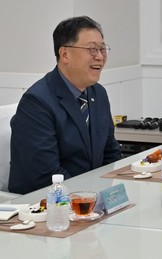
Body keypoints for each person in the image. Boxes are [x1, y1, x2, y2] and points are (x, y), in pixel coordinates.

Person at [8, 16, 122, 194]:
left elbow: (111, 154)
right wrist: (88, 197)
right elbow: (46, 174)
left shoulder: (98, 94)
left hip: (91, 198)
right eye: (92, 49)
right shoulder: (36, 103)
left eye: (102, 49)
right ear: (65, 54)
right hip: (46, 201)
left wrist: (110, 194)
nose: (100, 56)